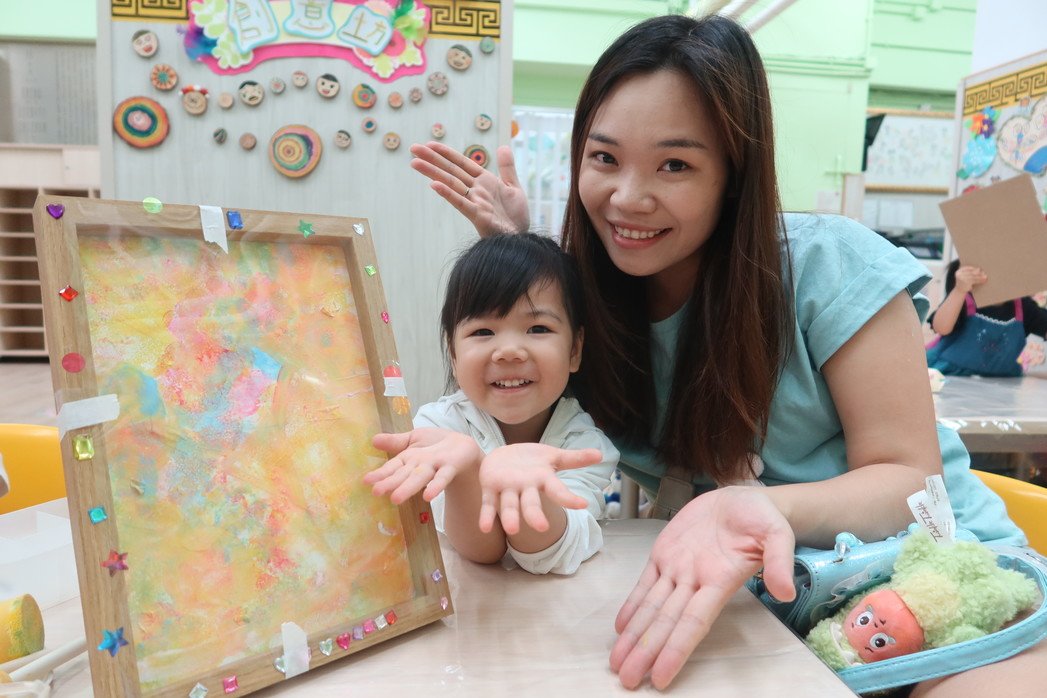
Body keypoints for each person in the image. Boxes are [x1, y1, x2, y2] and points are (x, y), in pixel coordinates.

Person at [407, 13, 1044, 695]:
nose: (628, 197)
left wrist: (762, 507)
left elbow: (909, 481)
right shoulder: (590, 312)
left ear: (732, 175)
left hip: (945, 582)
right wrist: (525, 270)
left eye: (674, 164)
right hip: (778, 611)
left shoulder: (829, 264)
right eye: (604, 158)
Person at [365, 232, 619, 575]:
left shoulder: (583, 446)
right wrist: (468, 470)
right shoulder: (437, 430)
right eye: (483, 332)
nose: (509, 351)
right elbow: (482, 552)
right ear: (454, 354)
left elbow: (552, 556)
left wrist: (526, 481)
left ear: (574, 349)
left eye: (538, 328)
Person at [926, 259, 1047, 376]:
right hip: (950, 377)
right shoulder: (963, 298)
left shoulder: (1024, 306)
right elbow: (941, 328)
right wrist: (959, 290)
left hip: (1001, 385)